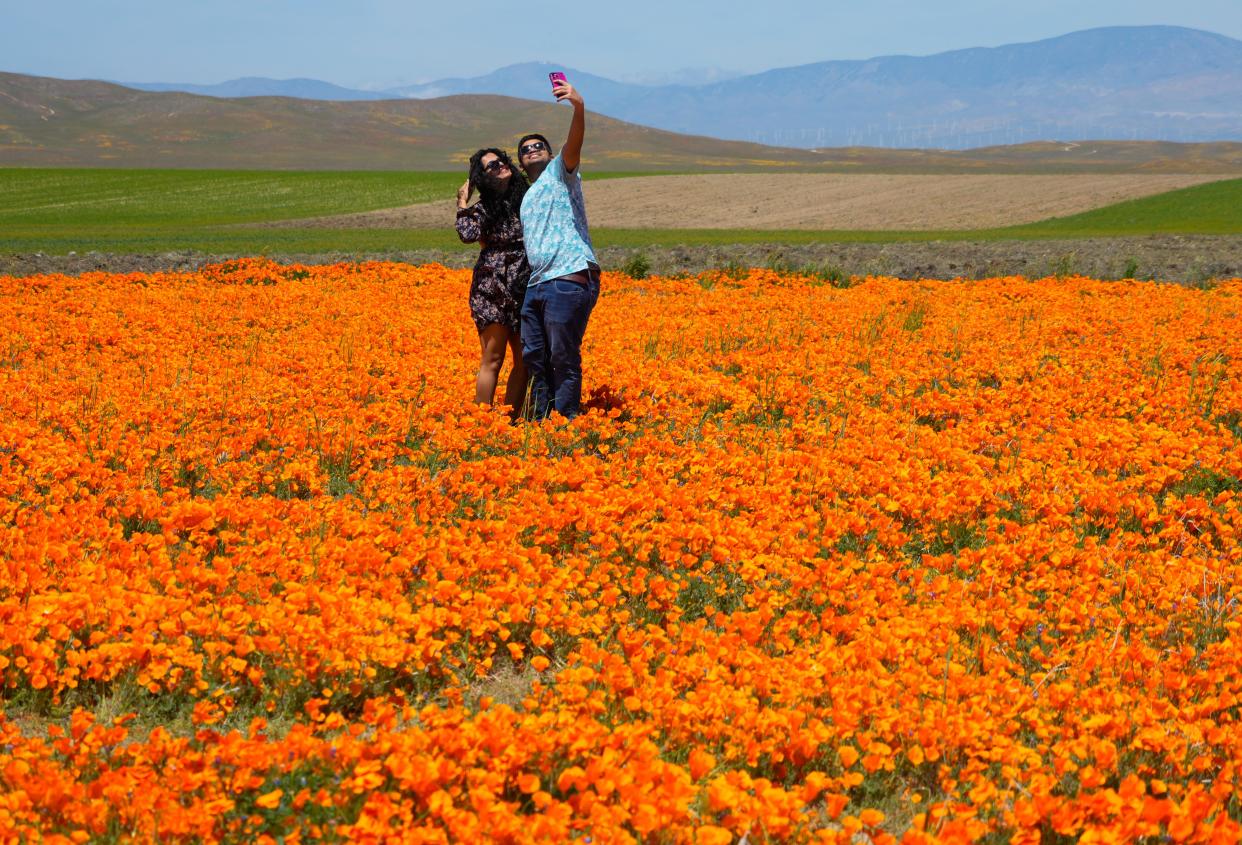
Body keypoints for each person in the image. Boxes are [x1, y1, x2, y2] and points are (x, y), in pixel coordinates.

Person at [516, 78, 599, 420]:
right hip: (537, 283)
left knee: (562, 355)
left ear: (550, 154)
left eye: (539, 145)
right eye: (525, 149)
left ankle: (565, 422)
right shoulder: (526, 195)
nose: (532, 149)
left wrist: (578, 107)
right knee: (536, 355)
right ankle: (541, 422)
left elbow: (574, 143)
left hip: (568, 275)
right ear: (521, 162)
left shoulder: (559, 173)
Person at [456, 147, 531, 415]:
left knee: (525, 359)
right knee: (494, 357)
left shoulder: (527, 198)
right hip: (492, 288)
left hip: (524, 286)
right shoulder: (484, 208)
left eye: (501, 161)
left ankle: (508, 421)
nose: (500, 166)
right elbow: (467, 234)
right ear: (482, 177)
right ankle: (481, 422)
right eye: (491, 166)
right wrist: (462, 203)